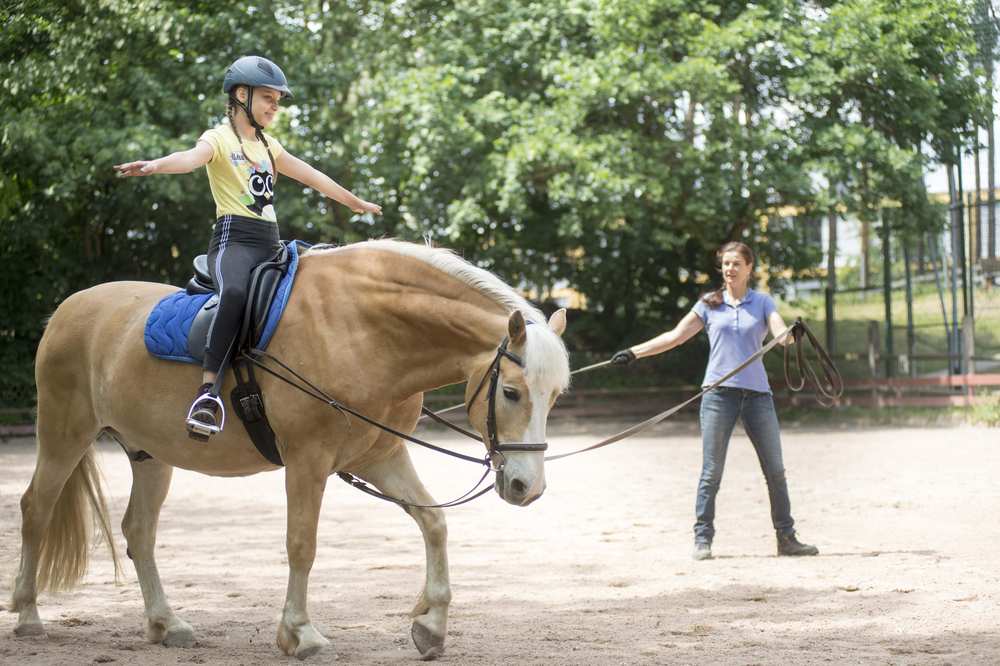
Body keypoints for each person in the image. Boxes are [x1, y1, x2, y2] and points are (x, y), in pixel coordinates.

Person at [114, 55, 381, 439]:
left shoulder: (271, 146)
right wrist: (156, 165)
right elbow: (190, 160)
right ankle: (207, 393)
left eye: (278, 100)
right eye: (268, 97)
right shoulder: (218, 139)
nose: (276, 106)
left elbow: (315, 177)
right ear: (242, 94)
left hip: (270, 243)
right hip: (233, 241)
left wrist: (352, 201)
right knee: (235, 293)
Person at [609, 241, 818, 560]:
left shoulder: (762, 302)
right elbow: (675, 336)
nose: (730, 268)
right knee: (711, 471)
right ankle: (702, 538)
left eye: (737, 263)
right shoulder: (709, 303)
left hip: (757, 395)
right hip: (718, 395)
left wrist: (793, 334)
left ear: (750, 268)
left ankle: (786, 538)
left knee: (775, 469)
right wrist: (634, 352)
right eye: (726, 264)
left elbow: (781, 338)